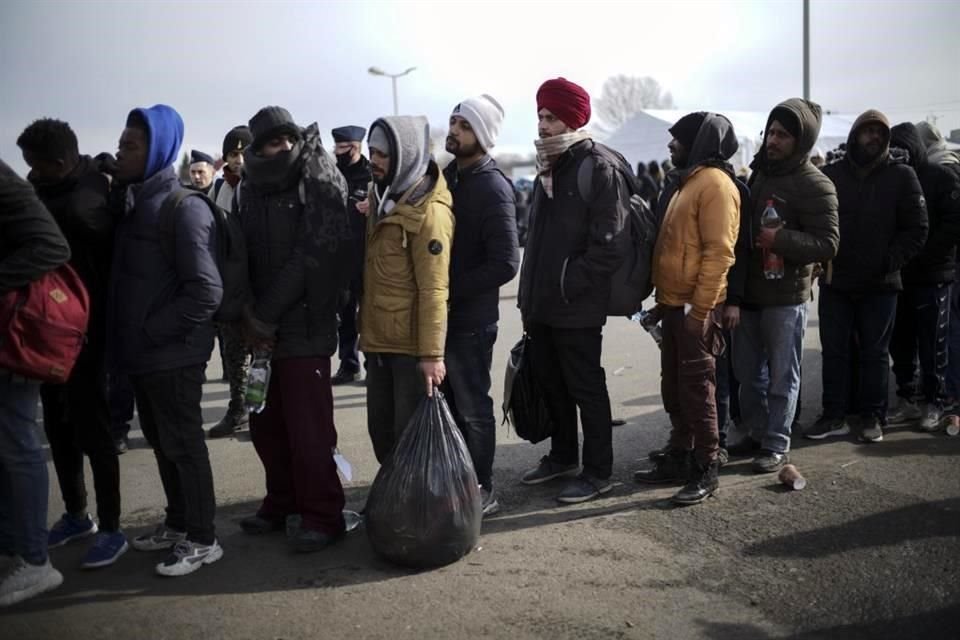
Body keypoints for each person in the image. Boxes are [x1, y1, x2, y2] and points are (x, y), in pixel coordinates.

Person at [110, 104, 224, 576]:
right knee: (162, 443)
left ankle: (202, 538)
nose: (120, 154)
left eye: (130, 146)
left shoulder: (183, 208)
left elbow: (207, 290)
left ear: (156, 148)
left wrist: (150, 331)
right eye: (120, 144)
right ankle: (178, 524)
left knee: (183, 444)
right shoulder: (136, 203)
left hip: (174, 354)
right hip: (146, 357)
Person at [236, 107, 353, 552]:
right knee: (266, 423)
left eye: (287, 139)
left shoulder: (316, 177)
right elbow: (238, 251)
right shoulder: (250, 184)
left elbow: (315, 253)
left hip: (305, 325)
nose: (282, 147)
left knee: (310, 431)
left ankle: (324, 515)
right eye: (271, 142)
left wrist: (264, 313)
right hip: (262, 329)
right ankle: (281, 502)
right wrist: (248, 314)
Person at [16, 118, 128, 567]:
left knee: (94, 429)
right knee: (59, 429)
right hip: (46, 330)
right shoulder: (50, 189)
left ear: (59, 162)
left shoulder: (88, 199)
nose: (33, 174)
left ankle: (113, 526)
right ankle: (77, 514)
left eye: (37, 167)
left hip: (85, 332)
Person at [517, 78, 626, 504]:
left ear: (575, 118)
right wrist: (531, 297)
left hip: (576, 305)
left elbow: (610, 245)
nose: (543, 125)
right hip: (543, 304)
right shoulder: (550, 164)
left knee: (585, 386)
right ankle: (563, 456)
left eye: (552, 116)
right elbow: (540, 239)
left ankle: (599, 472)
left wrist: (567, 283)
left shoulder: (597, 166)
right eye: (540, 115)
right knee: (552, 384)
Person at [722, 99, 839, 473]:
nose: (772, 140)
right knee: (746, 373)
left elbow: (828, 243)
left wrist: (781, 239)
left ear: (800, 141)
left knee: (781, 376)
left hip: (786, 297)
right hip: (749, 294)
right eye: (770, 132)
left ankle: (776, 443)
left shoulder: (815, 184)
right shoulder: (759, 175)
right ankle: (756, 433)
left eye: (782, 135)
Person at [634, 111, 741, 505]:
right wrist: (664, 304)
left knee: (699, 391)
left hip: (697, 311)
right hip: (674, 307)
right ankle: (680, 454)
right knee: (675, 389)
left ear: (698, 142)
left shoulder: (715, 185)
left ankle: (706, 468)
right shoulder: (687, 182)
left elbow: (719, 254)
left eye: (677, 139)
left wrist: (700, 312)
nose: (669, 145)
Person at [806, 110, 928, 443]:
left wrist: (890, 261)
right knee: (834, 351)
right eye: (868, 131)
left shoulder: (902, 176)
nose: (874, 137)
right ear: (855, 135)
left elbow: (917, 228)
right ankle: (834, 415)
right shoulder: (831, 175)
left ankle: (874, 417)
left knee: (875, 354)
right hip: (837, 281)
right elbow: (814, 221)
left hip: (881, 285)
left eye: (880, 132)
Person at [359, 115, 455, 464]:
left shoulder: (430, 212)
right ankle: (394, 505)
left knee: (410, 443)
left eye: (383, 154)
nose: (374, 160)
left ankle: (416, 514)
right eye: (371, 151)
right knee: (382, 436)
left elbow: (434, 290)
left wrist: (432, 356)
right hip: (379, 343)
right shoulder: (381, 198)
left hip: (410, 351)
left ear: (406, 153)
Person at [441, 94, 519, 516]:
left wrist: (451, 287)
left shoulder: (492, 186)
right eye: (453, 122)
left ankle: (482, 487)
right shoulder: (447, 176)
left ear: (482, 135)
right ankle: (456, 481)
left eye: (464, 125)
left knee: (472, 409)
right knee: (448, 407)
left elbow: (507, 262)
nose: (454, 131)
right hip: (442, 317)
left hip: (470, 321)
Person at [0, 158, 72, 606]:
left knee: (17, 444)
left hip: (11, 338)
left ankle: (33, 559)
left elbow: (51, 246)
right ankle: (13, 548)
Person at [887, 123, 960, 430]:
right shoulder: (892, 179)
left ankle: (936, 401)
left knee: (934, 343)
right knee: (901, 342)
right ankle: (909, 398)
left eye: (904, 148)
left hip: (933, 274)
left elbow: (954, 222)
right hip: (902, 275)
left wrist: (925, 251)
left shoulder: (941, 176)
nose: (898, 154)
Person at [207, 125, 254, 439]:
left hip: (256, 284)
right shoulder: (218, 190)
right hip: (228, 286)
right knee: (234, 356)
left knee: (262, 356)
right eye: (232, 154)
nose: (237, 160)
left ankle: (260, 410)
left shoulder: (261, 186)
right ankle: (239, 408)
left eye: (242, 153)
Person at [331, 125, 372, 386]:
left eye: (342, 148)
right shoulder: (332, 174)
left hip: (366, 256)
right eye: (335, 148)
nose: (337, 153)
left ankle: (373, 364)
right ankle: (348, 364)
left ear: (355, 148)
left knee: (368, 314)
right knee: (345, 315)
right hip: (341, 258)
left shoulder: (372, 175)